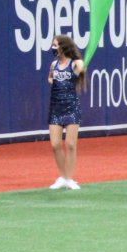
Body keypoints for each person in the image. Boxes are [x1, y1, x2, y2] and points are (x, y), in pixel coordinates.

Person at [47, 34, 85, 190]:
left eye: (56, 45)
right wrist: (54, 79)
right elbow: (50, 79)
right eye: (53, 45)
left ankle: (69, 178)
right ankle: (63, 176)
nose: (54, 48)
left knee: (70, 144)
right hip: (56, 107)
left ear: (64, 47)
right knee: (55, 144)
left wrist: (80, 64)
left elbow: (80, 66)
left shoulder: (74, 64)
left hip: (71, 107)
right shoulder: (53, 65)